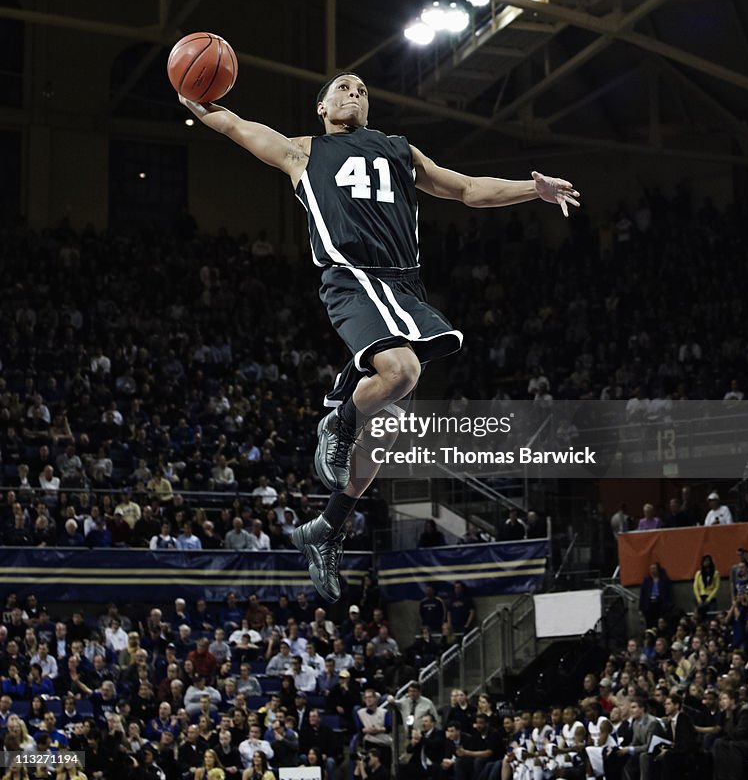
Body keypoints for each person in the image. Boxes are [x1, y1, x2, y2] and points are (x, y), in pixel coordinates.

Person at [179, 74, 579, 601]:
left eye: (364, 89)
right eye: (344, 87)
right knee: (403, 371)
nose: (356, 92)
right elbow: (234, 124)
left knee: (387, 431)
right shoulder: (303, 152)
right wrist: (192, 93)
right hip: (352, 278)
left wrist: (535, 189)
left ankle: (326, 527)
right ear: (321, 105)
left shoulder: (398, 150)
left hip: (402, 286)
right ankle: (337, 425)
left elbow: (465, 189)